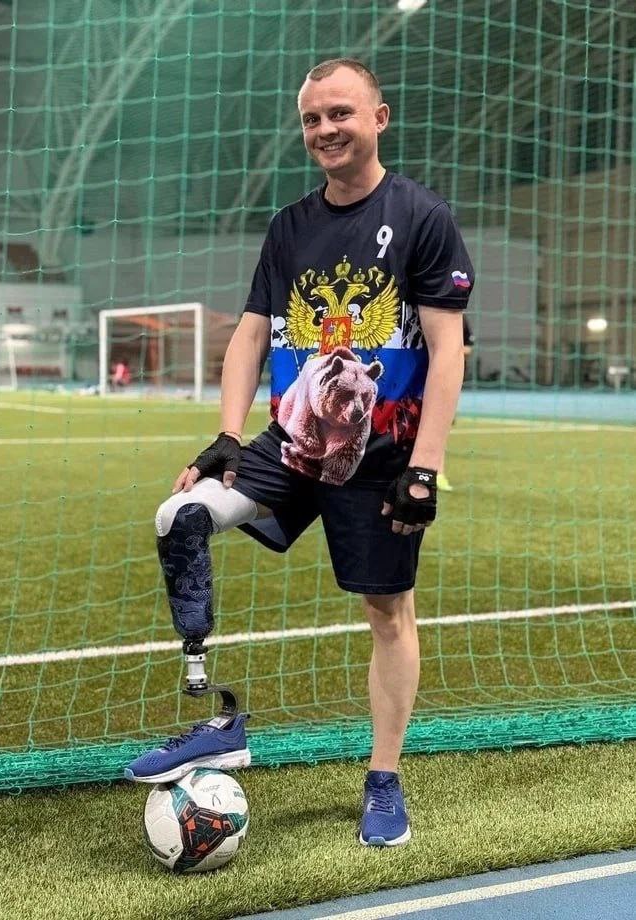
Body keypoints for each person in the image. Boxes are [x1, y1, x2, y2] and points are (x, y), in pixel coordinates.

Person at [125, 58, 474, 848]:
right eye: (313, 119)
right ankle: (216, 717)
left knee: (388, 613)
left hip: (381, 460)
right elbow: (252, 334)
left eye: (340, 113)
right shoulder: (288, 226)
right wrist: (227, 434)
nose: (324, 130)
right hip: (290, 444)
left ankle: (383, 779)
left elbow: (447, 352)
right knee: (182, 515)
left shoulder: (421, 216)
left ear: (379, 118)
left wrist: (424, 467)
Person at [437, 315, 475, 492]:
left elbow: (468, 348)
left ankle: (438, 473)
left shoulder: (459, 318)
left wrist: (449, 348)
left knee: (440, 425)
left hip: (447, 375)